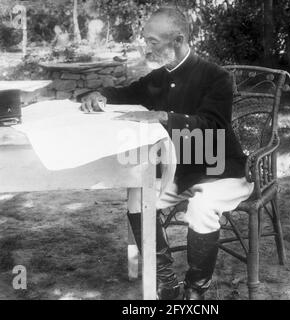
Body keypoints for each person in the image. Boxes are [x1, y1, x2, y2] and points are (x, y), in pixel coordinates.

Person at [79, 7, 253, 300]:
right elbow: (126, 93)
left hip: (222, 169)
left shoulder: (217, 77)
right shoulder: (158, 77)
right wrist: (102, 95)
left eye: (153, 42)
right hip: (180, 171)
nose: (146, 47)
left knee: (202, 208)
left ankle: (196, 291)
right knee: (137, 195)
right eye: (145, 40)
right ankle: (166, 282)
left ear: (178, 39)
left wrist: (163, 116)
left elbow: (213, 126)